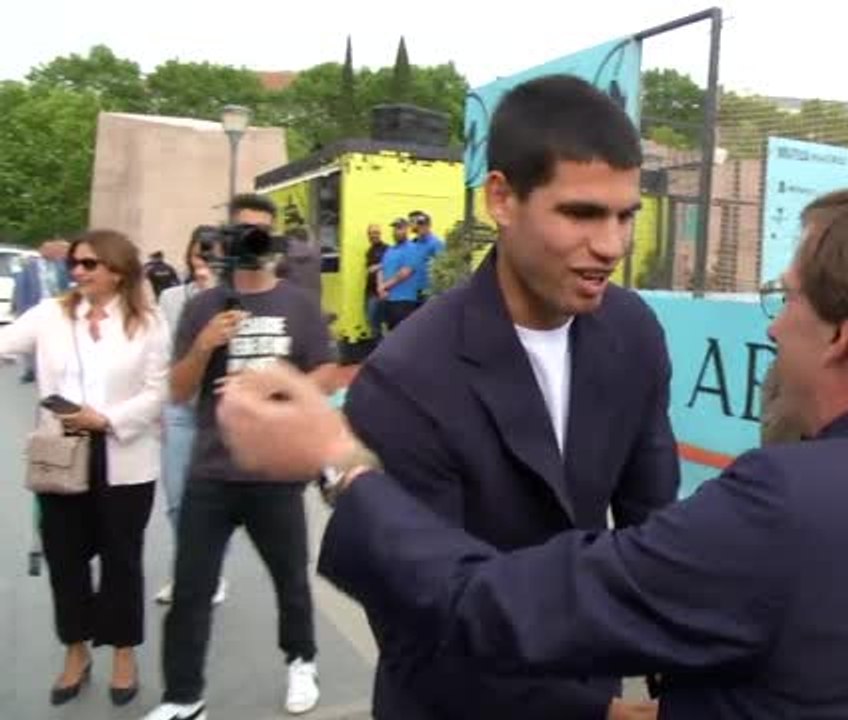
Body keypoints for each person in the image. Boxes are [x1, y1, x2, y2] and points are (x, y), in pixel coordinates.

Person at [217, 182, 848, 720]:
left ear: (841, 335)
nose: (774, 324)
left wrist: (336, 458)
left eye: (789, 299)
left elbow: (492, 606)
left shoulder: (790, 507)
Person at [245, 75, 680, 720]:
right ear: (501, 198)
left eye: (625, 216)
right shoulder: (407, 377)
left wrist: (689, 674)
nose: (611, 246)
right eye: (581, 213)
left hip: (590, 677)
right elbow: (419, 622)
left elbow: (652, 527)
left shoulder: (633, 331)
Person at [139, 195, 339, 720]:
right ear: (225, 240)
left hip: (274, 470)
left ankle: (302, 661)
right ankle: (184, 697)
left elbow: (324, 375)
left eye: (261, 234)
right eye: (242, 233)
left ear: (273, 243)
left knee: (291, 579)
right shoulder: (204, 306)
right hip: (211, 470)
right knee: (191, 590)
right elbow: (179, 393)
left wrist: (271, 387)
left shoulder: (298, 305)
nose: (252, 242)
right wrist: (204, 345)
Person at [0, 230, 169, 708]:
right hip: (60, 454)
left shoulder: (147, 322)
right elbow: (5, 341)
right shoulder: (51, 314)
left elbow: (158, 391)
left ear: (117, 270)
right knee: (65, 560)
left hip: (125, 457)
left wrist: (108, 419)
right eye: (75, 263)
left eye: (89, 264)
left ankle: (122, 654)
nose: (77, 271)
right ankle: (75, 651)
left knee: (121, 562)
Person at [153, 226, 225, 606]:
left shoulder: (237, 299)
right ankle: (188, 571)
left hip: (221, 412)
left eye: (212, 257)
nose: (203, 264)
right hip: (179, 407)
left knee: (215, 500)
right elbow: (162, 355)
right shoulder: (171, 298)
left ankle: (209, 575)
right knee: (177, 500)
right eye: (199, 255)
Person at [13, 238, 71, 382]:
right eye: (46, 249)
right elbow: (21, 288)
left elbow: (67, 286)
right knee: (31, 339)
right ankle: (30, 370)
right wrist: (22, 309)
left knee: (55, 339)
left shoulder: (61, 266)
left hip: (56, 306)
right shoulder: (30, 266)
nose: (49, 252)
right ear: (41, 251)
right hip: (35, 306)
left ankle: (54, 368)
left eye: (52, 249)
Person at [377, 217, 426, 330]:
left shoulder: (413, 248)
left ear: (406, 230)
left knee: (402, 335)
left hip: (404, 301)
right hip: (388, 300)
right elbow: (381, 269)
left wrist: (384, 286)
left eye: (399, 228)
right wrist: (380, 288)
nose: (396, 231)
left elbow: (405, 273)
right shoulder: (390, 250)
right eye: (394, 228)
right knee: (390, 334)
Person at [408, 210, 445, 301]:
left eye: (424, 224)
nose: (421, 227)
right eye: (419, 224)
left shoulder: (436, 243)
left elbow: (442, 267)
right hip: (412, 291)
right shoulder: (413, 244)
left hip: (428, 292)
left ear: (429, 225)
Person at [363, 222, 388, 343]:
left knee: (378, 323)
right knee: (371, 322)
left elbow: (388, 265)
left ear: (380, 234)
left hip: (381, 291)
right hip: (370, 291)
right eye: (371, 233)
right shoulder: (369, 251)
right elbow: (369, 269)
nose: (373, 235)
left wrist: (377, 267)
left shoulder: (386, 249)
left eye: (376, 233)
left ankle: (383, 348)